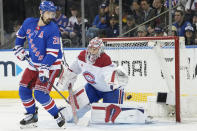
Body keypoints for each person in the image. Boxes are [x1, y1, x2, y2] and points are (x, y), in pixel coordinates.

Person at [58, 37, 150, 124]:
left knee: (109, 119)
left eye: (95, 49)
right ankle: (65, 115)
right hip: (93, 87)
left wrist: (114, 81)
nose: (92, 51)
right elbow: (73, 70)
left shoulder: (105, 59)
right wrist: (67, 80)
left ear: (100, 50)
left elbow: (110, 78)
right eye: (91, 48)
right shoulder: (82, 56)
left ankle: (140, 115)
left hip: (111, 91)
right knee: (76, 105)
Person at [13, 1, 69, 128]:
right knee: (23, 89)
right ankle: (32, 115)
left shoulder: (53, 29)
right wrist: (18, 48)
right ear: (41, 12)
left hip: (51, 65)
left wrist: (44, 67)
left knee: (40, 94)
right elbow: (20, 37)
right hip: (34, 64)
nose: (51, 16)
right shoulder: (28, 23)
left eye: (52, 14)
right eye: (48, 13)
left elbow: (52, 54)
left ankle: (57, 115)